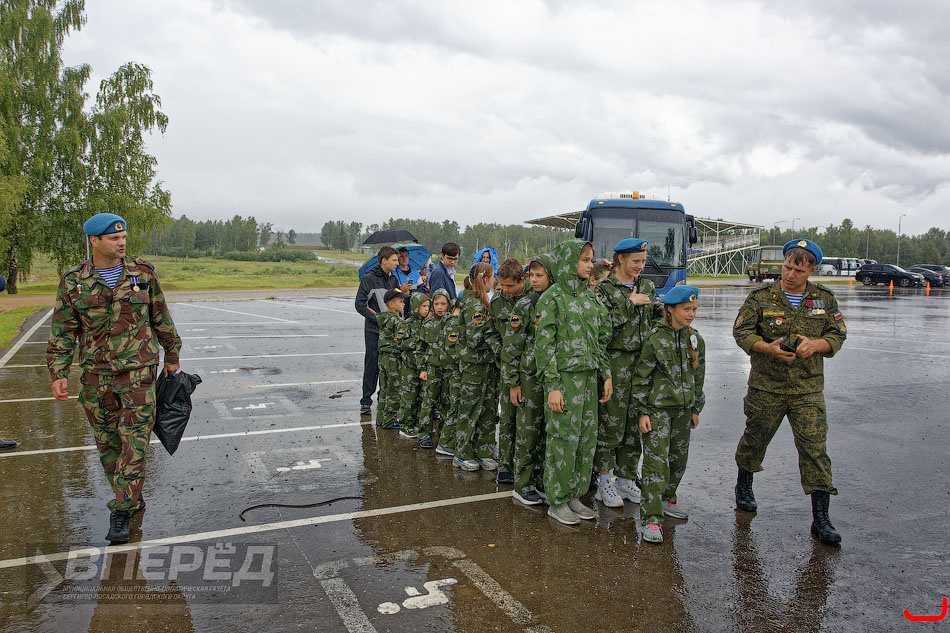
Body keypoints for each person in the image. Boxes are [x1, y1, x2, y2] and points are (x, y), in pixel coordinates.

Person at [46, 213, 181, 544]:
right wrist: (58, 371)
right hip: (96, 377)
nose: (122, 243)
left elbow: (160, 315)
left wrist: (172, 354)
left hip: (138, 374)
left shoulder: (142, 273)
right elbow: (63, 330)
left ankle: (122, 510)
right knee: (108, 444)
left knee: (134, 442)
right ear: (94, 241)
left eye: (123, 237)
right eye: (114, 238)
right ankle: (129, 494)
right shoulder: (74, 281)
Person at [733, 239, 847, 545]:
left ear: (811, 270)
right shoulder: (761, 298)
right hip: (766, 387)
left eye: (798, 270)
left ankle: (821, 519)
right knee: (755, 439)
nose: (790, 275)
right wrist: (767, 348)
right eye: (787, 268)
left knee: (815, 450)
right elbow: (742, 331)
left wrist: (817, 345)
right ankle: (744, 485)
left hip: (807, 390)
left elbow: (837, 334)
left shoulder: (823, 299)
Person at [535, 239, 612, 526]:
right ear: (569, 262)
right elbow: (544, 346)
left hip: (588, 380)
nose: (590, 265)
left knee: (585, 440)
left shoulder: (591, 299)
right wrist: (553, 386)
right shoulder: (551, 299)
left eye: (591, 259)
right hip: (564, 381)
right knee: (562, 439)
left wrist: (606, 374)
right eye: (584, 260)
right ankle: (557, 500)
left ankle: (574, 495)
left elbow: (601, 338)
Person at [633, 285, 706, 543]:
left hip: (683, 411)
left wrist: (695, 408)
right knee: (656, 465)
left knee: (678, 460)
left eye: (694, 309)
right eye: (686, 309)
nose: (691, 314)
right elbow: (641, 377)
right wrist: (642, 411)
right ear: (670, 309)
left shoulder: (694, 339)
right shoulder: (655, 338)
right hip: (658, 411)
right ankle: (651, 519)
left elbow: (698, 376)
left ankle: (667, 499)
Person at [593, 238, 662, 508]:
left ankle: (626, 478)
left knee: (635, 423)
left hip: (641, 363)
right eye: (635, 261)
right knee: (611, 423)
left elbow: (652, 321)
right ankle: (604, 480)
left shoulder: (647, 286)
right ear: (620, 259)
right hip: (615, 360)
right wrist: (628, 304)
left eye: (643, 261)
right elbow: (600, 327)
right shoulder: (605, 290)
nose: (640, 266)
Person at [504, 254, 555, 505]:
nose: (534, 280)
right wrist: (513, 382)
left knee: (546, 433)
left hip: (550, 377)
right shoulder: (524, 306)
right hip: (529, 378)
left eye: (539, 275)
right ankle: (522, 484)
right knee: (528, 432)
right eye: (531, 275)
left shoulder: (556, 302)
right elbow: (511, 346)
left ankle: (542, 481)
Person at [454, 262, 499, 472]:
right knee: (469, 410)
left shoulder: (483, 302)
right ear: (486, 279)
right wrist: (496, 338)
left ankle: (483, 451)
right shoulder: (475, 305)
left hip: (486, 364)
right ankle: (462, 454)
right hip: (474, 365)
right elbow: (474, 338)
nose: (493, 281)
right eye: (492, 277)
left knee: (488, 409)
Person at [491, 258, 530, 485]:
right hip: (507, 368)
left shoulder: (534, 298)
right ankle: (506, 466)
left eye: (510, 286)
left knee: (529, 422)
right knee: (507, 418)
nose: (505, 290)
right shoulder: (497, 302)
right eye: (502, 285)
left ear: (521, 281)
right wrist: (501, 350)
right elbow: (490, 331)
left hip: (530, 368)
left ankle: (526, 466)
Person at [355, 246, 404, 416]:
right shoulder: (369, 279)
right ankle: (365, 401)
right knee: (372, 366)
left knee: (389, 367)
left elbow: (398, 303)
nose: (397, 263)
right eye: (394, 260)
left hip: (391, 333)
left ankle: (383, 400)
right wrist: (378, 319)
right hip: (374, 331)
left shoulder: (393, 280)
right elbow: (360, 304)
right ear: (384, 261)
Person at [417, 289, 453, 449]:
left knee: (447, 402)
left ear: (449, 305)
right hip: (432, 369)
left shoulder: (453, 323)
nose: (439, 307)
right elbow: (420, 348)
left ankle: (444, 434)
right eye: (436, 303)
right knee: (428, 402)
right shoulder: (428, 325)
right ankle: (424, 434)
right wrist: (422, 369)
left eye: (443, 304)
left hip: (448, 370)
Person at [397, 292, 431, 439]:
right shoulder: (407, 324)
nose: (426, 309)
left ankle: (417, 423)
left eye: (428, 306)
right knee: (408, 397)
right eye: (423, 306)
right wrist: (417, 340)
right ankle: (405, 426)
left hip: (422, 367)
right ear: (416, 307)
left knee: (421, 397)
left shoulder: (428, 323)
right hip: (410, 368)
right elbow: (400, 342)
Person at [375, 289, 410, 429]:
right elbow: (401, 342)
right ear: (391, 304)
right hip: (393, 359)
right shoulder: (397, 321)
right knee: (394, 390)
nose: (403, 304)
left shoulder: (383, 318)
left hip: (383, 357)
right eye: (400, 302)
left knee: (384, 389)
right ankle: (390, 421)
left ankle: (381, 419)